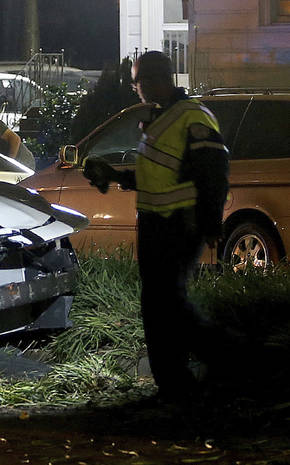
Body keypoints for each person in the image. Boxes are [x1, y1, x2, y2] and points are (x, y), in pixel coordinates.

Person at [82, 50, 230, 402]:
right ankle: (175, 382)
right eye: (137, 82)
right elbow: (158, 174)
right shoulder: (163, 118)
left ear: (157, 79)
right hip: (157, 223)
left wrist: (209, 223)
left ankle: (222, 360)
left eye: (139, 81)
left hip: (179, 223)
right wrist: (115, 174)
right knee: (160, 304)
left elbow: (213, 172)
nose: (138, 89)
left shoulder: (192, 116)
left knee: (168, 303)